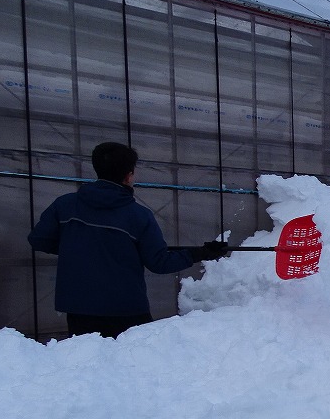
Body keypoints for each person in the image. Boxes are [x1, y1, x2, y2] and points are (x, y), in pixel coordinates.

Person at [28, 141, 230, 338]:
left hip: (78, 308)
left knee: (89, 367)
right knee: (132, 367)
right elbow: (159, 262)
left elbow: (38, 239)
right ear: (128, 176)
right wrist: (202, 253)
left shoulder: (65, 205)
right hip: (126, 310)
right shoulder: (138, 216)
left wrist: (76, 246)